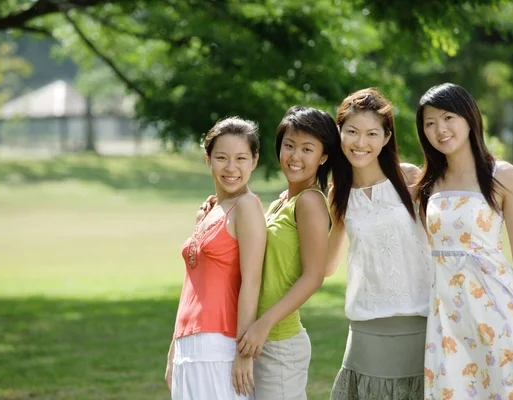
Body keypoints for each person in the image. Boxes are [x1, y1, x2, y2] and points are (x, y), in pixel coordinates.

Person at [417, 83, 513, 398]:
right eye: (430, 123)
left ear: (469, 118)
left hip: (496, 306)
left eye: (448, 117)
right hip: (446, 316)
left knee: (506, 388)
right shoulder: (428, 184)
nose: (440, 129)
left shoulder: (501, 175)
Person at [327, 88, 432, 400]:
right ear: (339, 132)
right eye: (352, 132)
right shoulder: (338, 194)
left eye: (372, 133)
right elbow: (327, 265)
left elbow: (439, 242)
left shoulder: (410, 178)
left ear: (386, 137)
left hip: (421, 321)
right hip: (366, 326)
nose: (361, 143)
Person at [236, 106, 344, 400]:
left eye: (307, 149)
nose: (295, 156)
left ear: (322, 157)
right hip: (256, 336)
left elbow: (314, 276)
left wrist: (263, 325)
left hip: (279, 341)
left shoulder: (309, 203)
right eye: (289, 146)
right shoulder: (280, 202)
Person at [165, 117, 267, 400]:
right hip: (189, 347)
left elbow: (252, 282)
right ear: (208, 159)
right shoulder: (210, 210)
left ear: (254, 161)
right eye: (222, 157)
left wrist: (244, 354)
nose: (231, 168)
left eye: (241, 158)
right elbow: (191, 285)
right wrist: (174, 350)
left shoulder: (246, 206)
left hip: (219, 347)